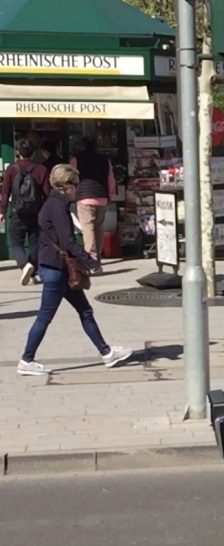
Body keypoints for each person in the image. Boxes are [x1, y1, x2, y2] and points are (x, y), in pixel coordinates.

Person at [17, 164, 130, 376]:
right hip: (56, 270)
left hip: (56, 268)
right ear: (66, 185)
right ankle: (26, 359)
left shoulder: (51, 203)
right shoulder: (58, 207)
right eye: (76, 184)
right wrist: (90, 261)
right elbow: (68, 241)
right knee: (44, 317)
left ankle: (106, 353)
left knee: (85, 311)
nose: (77, 188)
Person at [0, 138, 51, 281]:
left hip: (18, 212)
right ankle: (32, 270)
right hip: (36, 211)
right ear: (33, 153)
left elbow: (5, 192)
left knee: (16, 242)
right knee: (35, 243)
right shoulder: (42, 169)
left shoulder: (11, 169)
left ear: (17, 152)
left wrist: (2, 211)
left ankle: (24, 264)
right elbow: (46, 193)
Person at [69, 137, 116, 269]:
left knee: (88, 228)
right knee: (99, 227)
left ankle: (92, 258)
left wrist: (72, 193)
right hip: (102, 197)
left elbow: (71, 177)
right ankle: (98, 256)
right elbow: (110, 179)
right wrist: (110, 195)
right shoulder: (104, 160)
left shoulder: (76, 160)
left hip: (85, 197)